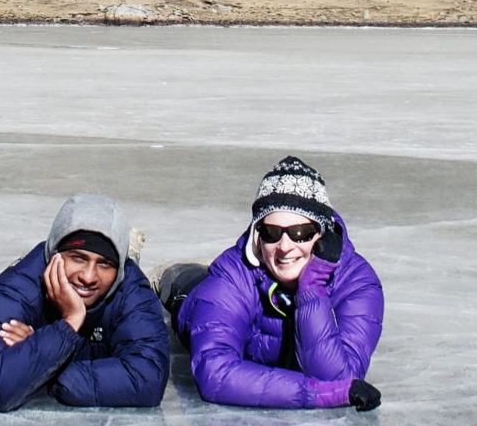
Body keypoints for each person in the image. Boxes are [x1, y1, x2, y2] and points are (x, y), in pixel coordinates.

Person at [0, 193, 170, 413]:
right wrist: (71, 320)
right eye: (77, 257)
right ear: (55, 254)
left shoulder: (131, 286)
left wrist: (39, 357)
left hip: (65, 322)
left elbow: (147, 380)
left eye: (105, 263)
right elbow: (1, 386)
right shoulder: (19, 287)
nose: (88, 276)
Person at [154, 157, 384, 411]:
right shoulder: (233, 273)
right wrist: (317, 395)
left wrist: (312, 289)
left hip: (267, 288)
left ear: (323, 234)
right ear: (257, 235)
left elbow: (337, 379)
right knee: (185, 287)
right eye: (271, 233)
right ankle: (172, 272)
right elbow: (215, 374)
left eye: (300, 233)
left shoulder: (358, 283)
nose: (285, 246)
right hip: (193, 294)